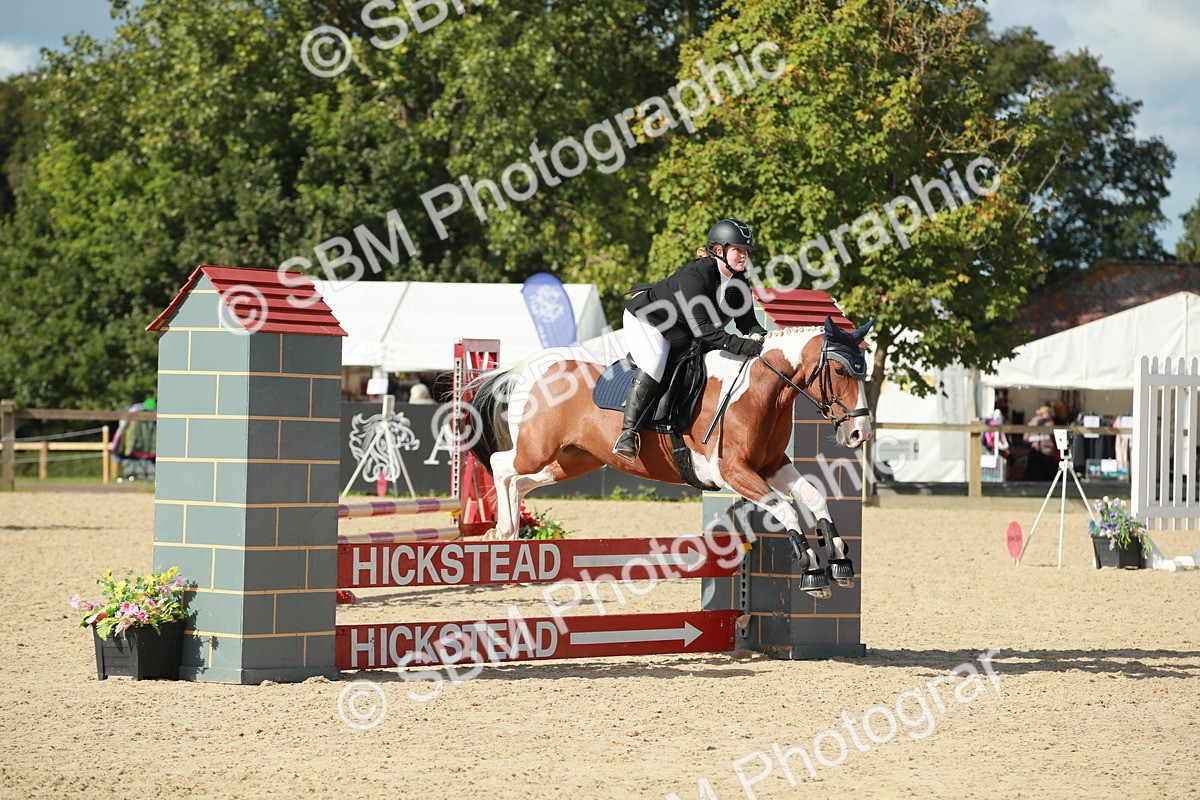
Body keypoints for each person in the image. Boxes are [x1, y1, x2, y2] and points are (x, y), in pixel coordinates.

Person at [613, 218, 768, 461]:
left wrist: (763, 340)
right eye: (738, 250)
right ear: (719, 251)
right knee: (655, 362)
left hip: (682, 327)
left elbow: (748, 324)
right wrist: (742, 345)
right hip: (650, 320)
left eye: (746, 251)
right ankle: (627, 434)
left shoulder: (738, 280)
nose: (744, 256)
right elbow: (704, 331)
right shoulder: (695, 275)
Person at [1024, 403, 1057, 481]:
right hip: (1048, 453)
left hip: (1034, 452)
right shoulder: (1051, 423)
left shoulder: (1032, 423)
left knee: (1035, 476)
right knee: (1048, 478)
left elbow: (1025, 438)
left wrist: (1033, 440)